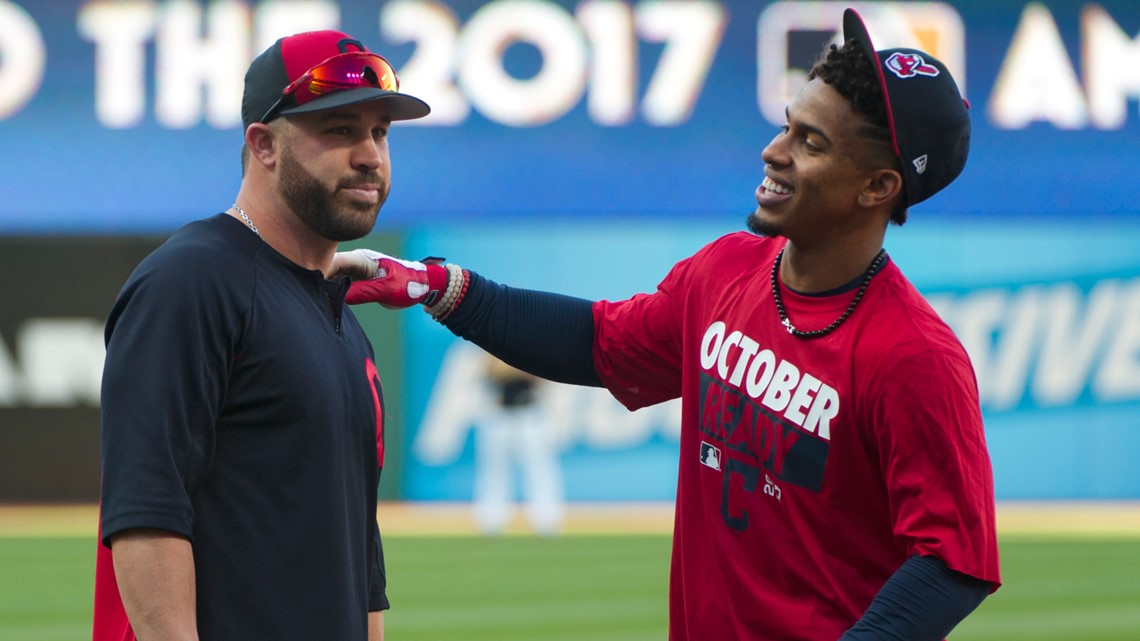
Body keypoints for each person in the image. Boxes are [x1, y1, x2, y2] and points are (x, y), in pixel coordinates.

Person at [334, 8, 1001, 640]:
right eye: (787, 125)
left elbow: (952, 558)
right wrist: (437, 284)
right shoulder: (727, 270)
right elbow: (597, 343)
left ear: (877, 188)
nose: (774, 152)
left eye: (811, 143)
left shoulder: (915, 354)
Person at [92, 30, 429, 641]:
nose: (370, 155)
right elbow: (147, 515)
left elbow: (363, 558)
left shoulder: (342, 320)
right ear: (264, 144)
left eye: (380, 132)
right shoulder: (191, 281)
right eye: (339, 129)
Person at [473, 354, 564, 536]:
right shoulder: (492, 343)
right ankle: (490, 522)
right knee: (494, 470)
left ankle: (546, 522)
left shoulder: (528, 343)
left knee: (539, 469)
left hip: (529, 413)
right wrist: (514, 368)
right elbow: (489, 371)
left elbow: (542, 376)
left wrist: (512, 368)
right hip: (499, 414)